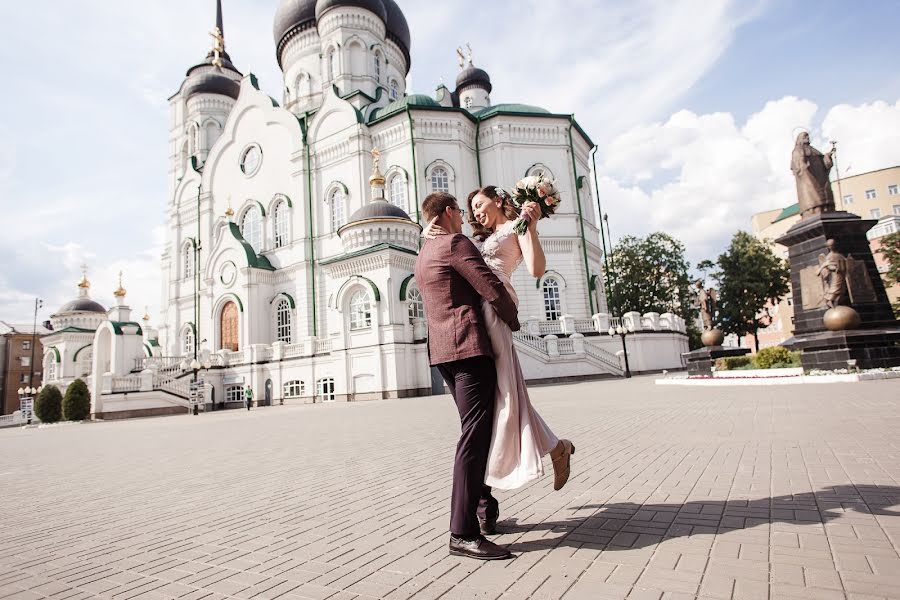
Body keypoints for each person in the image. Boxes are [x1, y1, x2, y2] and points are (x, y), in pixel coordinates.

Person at [424, 186, 575, 494]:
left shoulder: (516, 226)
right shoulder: (476, 239)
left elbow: (537, 269)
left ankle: (546, 453)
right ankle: (557, 448)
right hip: (476, 309)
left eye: (480, 204)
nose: (476, 212)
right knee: (500, 394)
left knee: (504, 391)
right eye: (471, 208)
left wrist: (531, 227)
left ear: (498, 200)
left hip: (496, 305)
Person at [414, 192, 519, 561]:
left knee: (472, 434)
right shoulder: (454, 242)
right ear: (447, 212)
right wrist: (512, 317)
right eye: (459, 210)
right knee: (474, 437)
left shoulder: (423, 252)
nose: (463, 217)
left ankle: (482, 507)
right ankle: (462, 532)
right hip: (469, 348)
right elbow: (487, 284)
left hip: (442, 351)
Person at [791, 131, 835, 219]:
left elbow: (824, 163)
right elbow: (798, 166)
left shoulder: (814, 150)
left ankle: (826, 208)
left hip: (821, 177)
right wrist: (804, 168)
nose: (807, 138)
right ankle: (813, 210)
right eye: (805, 136)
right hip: (808, 178)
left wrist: (827, 156)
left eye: (807, 136)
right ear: (800, 139)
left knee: (826, 194)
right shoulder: (797, 150)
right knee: (813, 196)